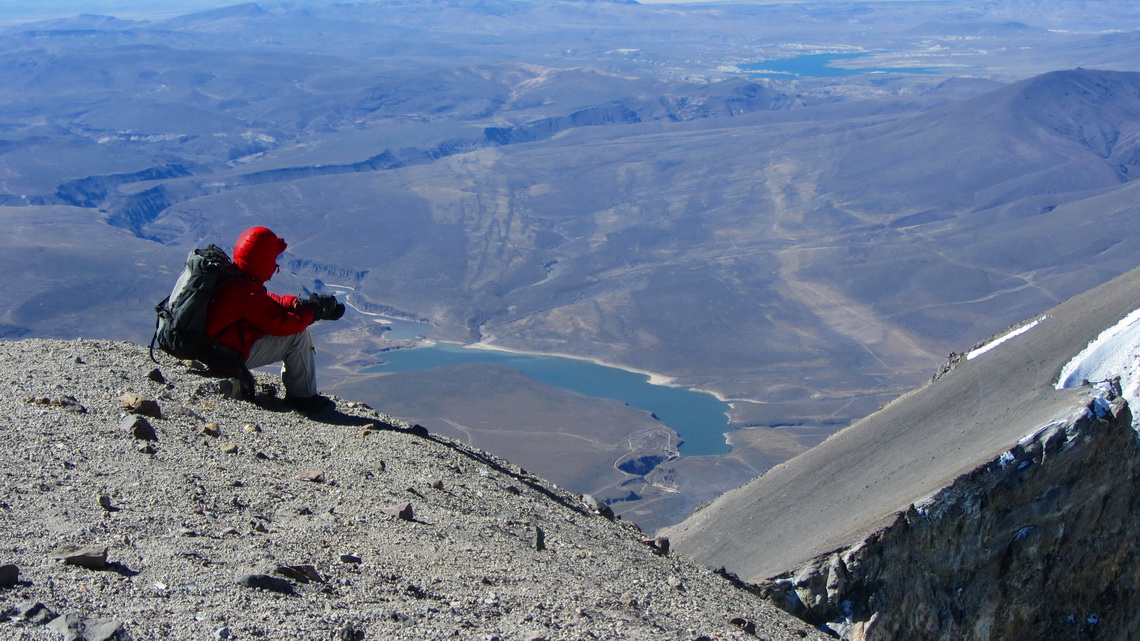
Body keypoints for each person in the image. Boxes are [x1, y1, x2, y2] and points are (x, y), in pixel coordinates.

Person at [205, 226, 344, 413]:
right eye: (272, 259)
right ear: (262, 261)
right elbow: (283, 325)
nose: (275, 265)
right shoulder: (243, 291)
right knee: (297, 336)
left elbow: (266, 302)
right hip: (224, 358)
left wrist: (298, 303)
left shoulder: (234, 278)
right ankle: (303, 398)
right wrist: (313, 312)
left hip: (214, 350)